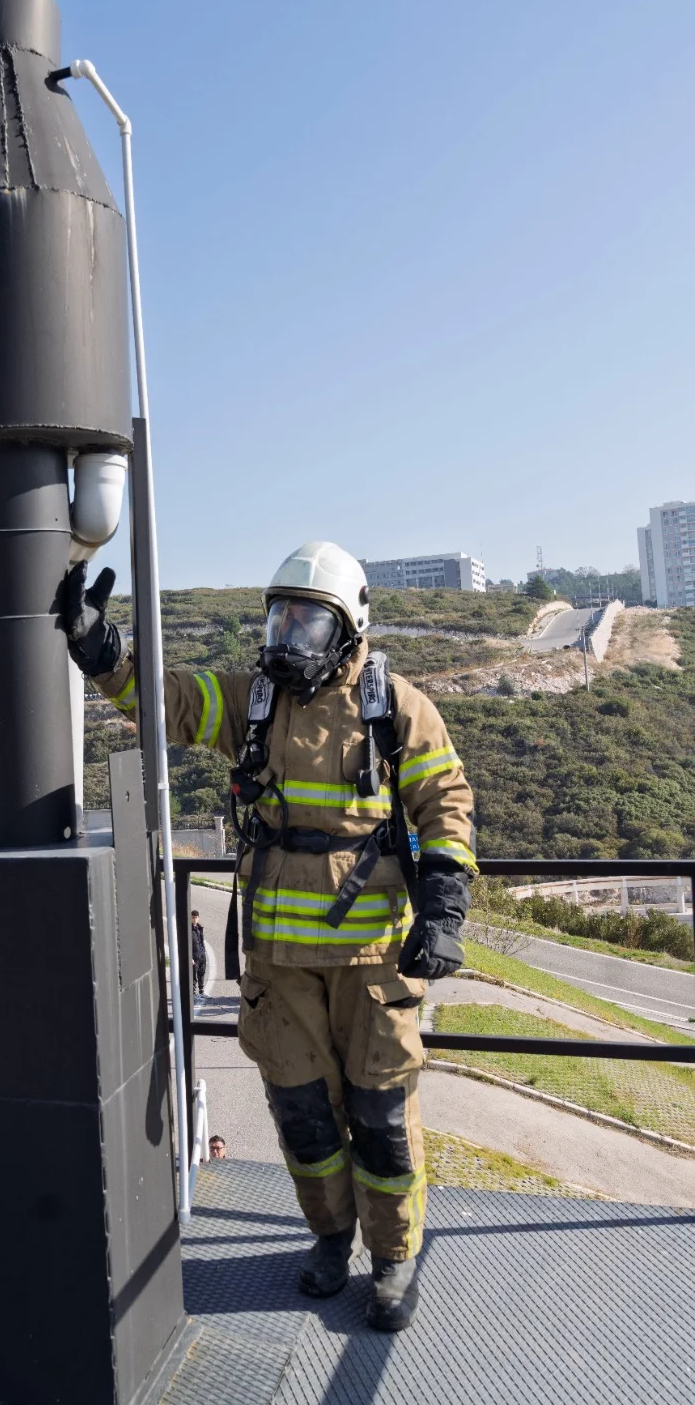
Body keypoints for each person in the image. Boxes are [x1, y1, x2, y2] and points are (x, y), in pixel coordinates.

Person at [61, 541, 476, 1333]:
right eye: (281, 619)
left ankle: (393, 1260)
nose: (290, 638)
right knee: (303, 1117)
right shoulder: (254, 702)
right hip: (278, 966)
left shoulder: (396, 709)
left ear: (349, 630)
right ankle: (330, 1240)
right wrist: (100, 650)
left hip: (372, 961)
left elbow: (444, 804)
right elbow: (169, 701)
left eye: (308, 624)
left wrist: (445, 909)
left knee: (382, 1118)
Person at [190, 909, 207, 997]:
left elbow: (201, 941)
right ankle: (193, 993)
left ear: (198, 918)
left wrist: (203, 952)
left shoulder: (200, 928)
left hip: (202, 955)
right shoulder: (189, 930)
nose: (194, 919)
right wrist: (190, 957)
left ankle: (201, 991)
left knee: (202, 973)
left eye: (196, 917)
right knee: (193, 975)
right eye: (193, 917)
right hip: (194, 956)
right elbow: (186, 945)